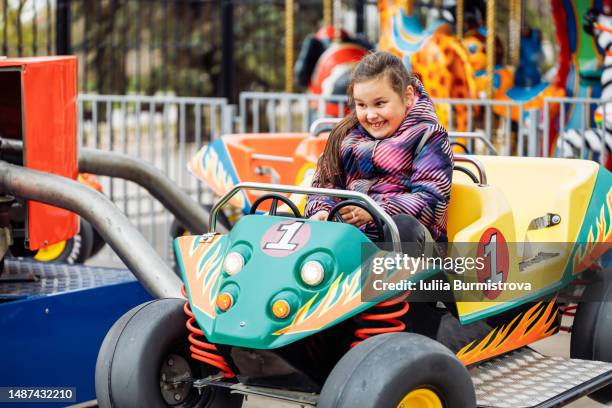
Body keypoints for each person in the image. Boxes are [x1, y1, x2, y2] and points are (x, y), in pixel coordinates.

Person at [305, 51, 453, 250]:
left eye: (380, 103)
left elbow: (431, 202)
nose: (371, 114)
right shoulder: (347, 136)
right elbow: (325, 185)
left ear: (407, 96)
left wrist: (374, 210)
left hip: (413, 242)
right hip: (355, 239)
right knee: (282, 221)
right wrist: (324, 211)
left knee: (403, 227)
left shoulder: (428, 136)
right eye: (362, 105)